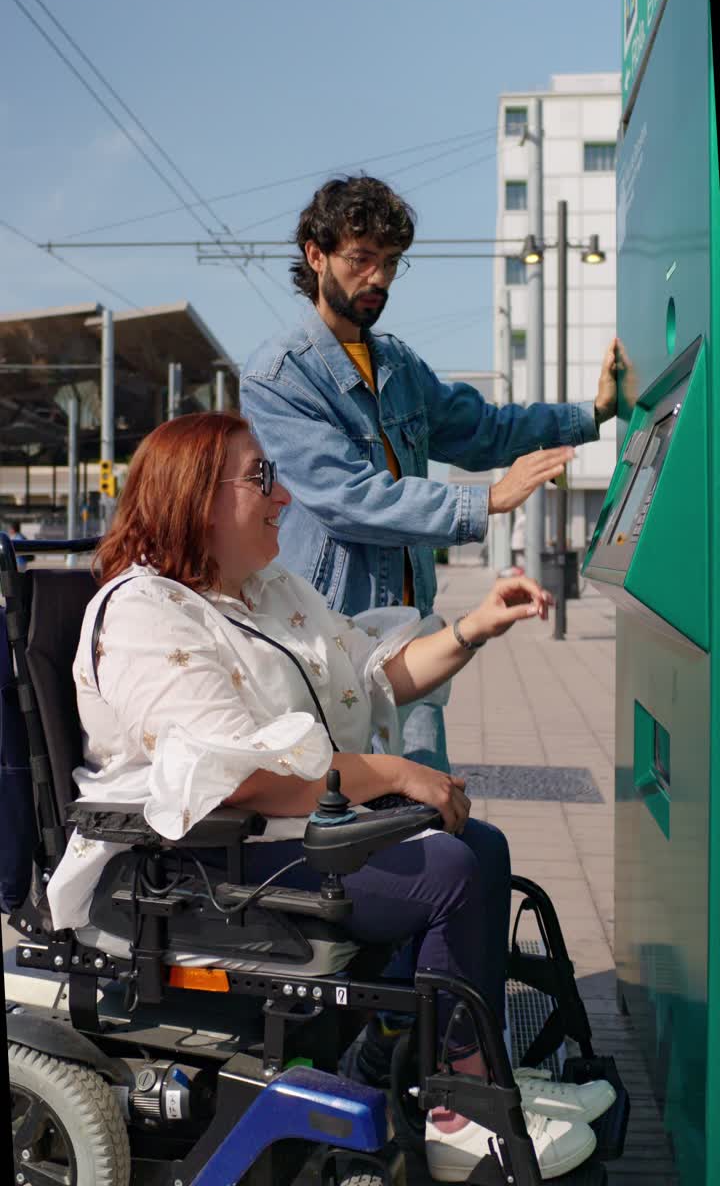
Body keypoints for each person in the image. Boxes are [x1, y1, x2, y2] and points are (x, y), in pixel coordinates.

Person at [46, 412, 614, 1181]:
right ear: (195, 498)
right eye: (260, 478)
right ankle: (456, 1111)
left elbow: (373, 675)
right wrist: (392, 775)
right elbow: (232, 776)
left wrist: (476, 626)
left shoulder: (264, 590)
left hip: (281, 837)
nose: (282, 497)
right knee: (445, 873)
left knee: (479, 847)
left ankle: (469, 1076)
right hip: (193, 866)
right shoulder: (143, 613)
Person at [240, 174, 618, 775]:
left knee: (427, 814)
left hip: (414, 634)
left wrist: (592, 413)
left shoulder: (397, 364)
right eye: (361, 260)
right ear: (316, 255)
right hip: (331, 638)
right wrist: (485, 502)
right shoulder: (280, 376)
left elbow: (483, 428)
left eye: (391, 263)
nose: (379, 279)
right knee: (348, 825)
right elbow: (348, 498)